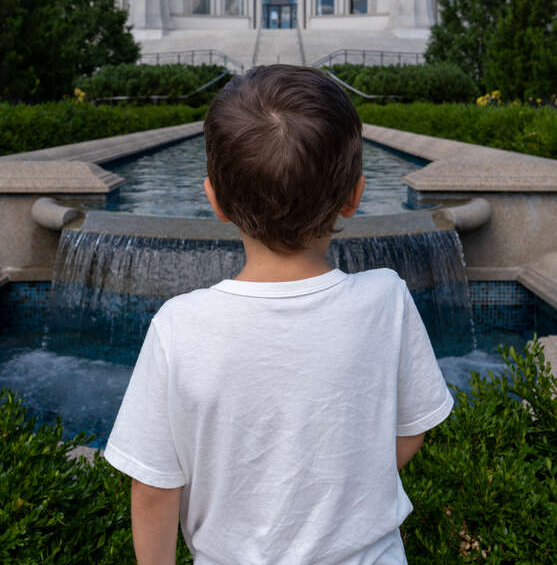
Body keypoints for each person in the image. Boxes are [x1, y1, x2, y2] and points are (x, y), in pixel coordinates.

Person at [104, 64, 453, 565]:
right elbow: (412, 427)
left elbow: (154, 485)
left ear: (216, 200)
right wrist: (337, 488)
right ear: (355, 195)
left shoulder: (180, 324)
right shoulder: (386, 299)